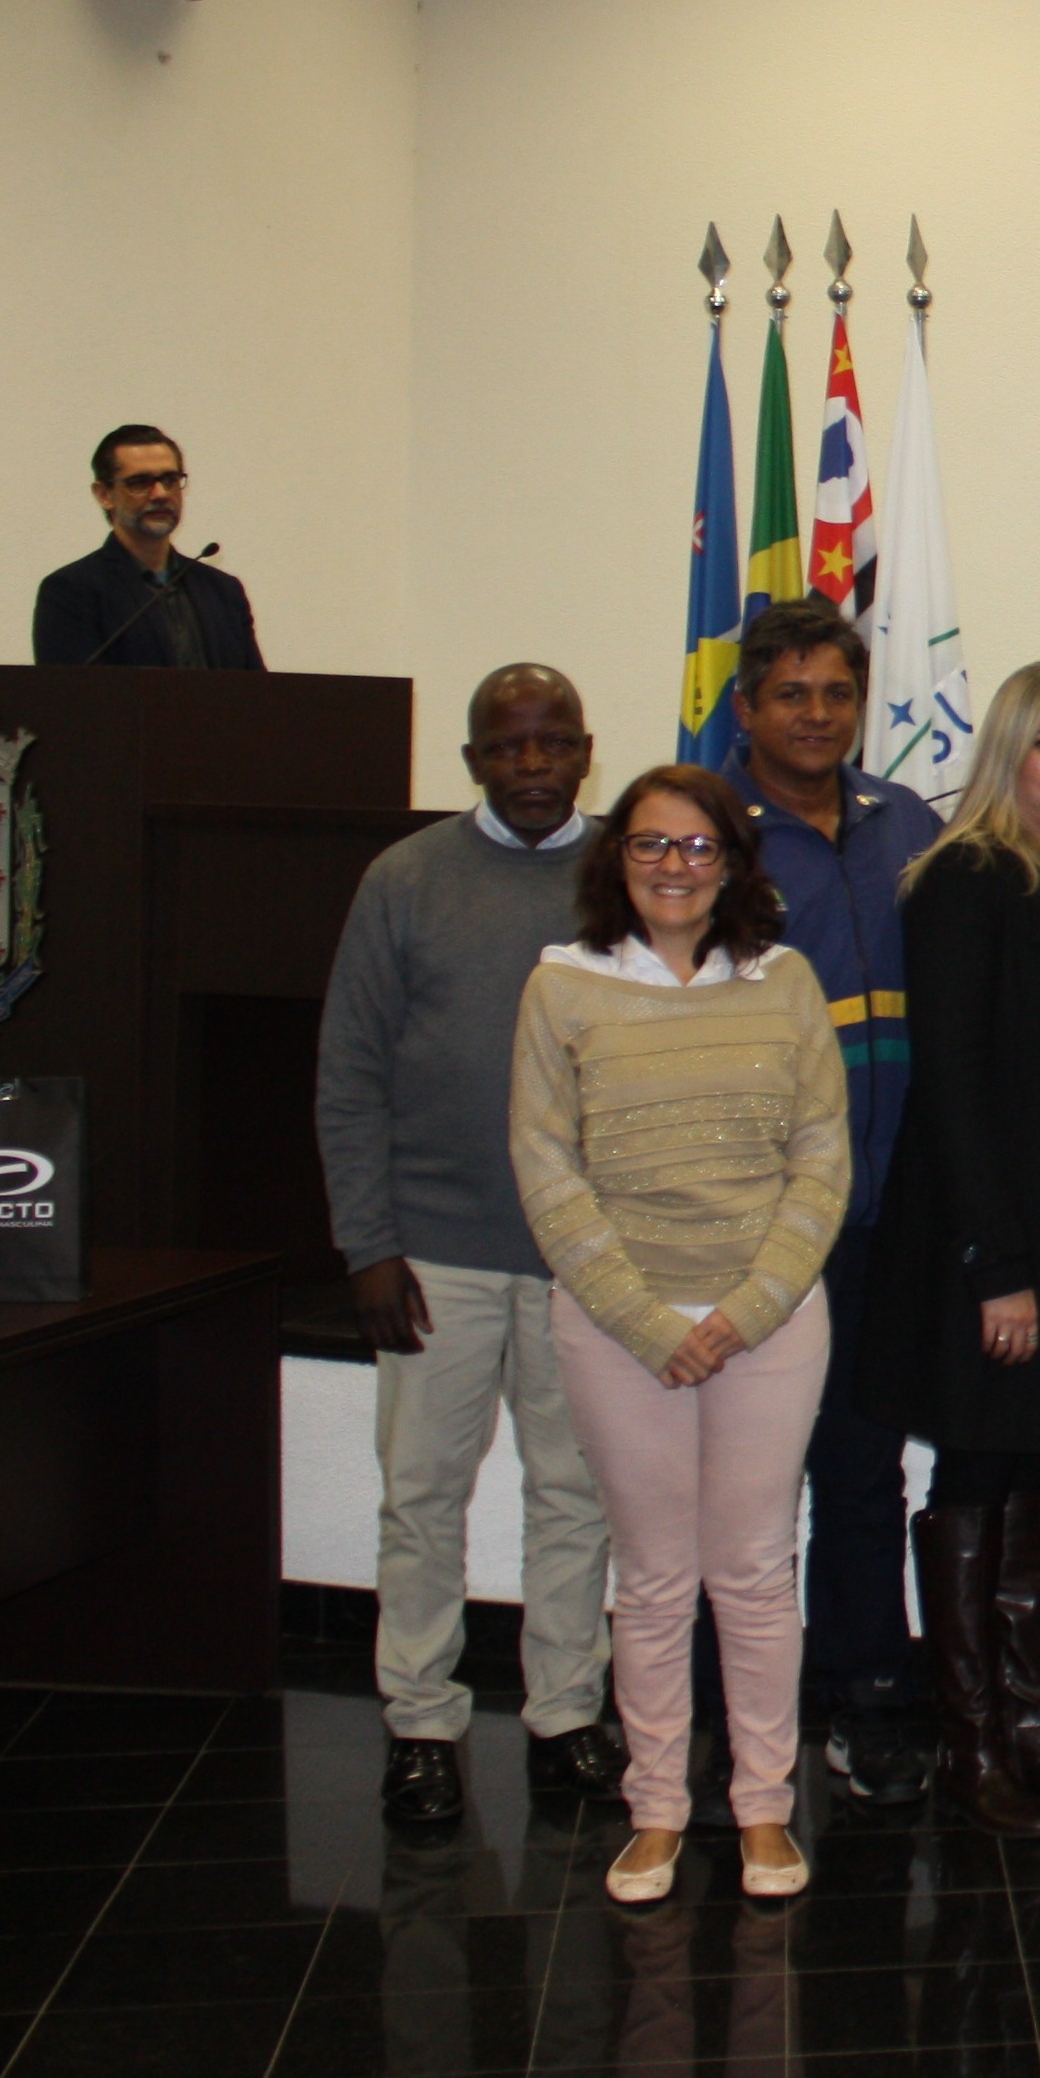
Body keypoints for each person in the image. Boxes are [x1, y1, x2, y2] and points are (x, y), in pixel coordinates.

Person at [510, 764, 851, 1905]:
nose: (674, 866)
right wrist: (646, 1320)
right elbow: (545, 1165)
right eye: (651, 844)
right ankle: (655, 1810)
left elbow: (822, 1159)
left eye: (699, 847)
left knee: (753, 1573)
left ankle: (763, 1808)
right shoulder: (562, 986)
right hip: (619, 1326)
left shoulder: (784, 982)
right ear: (615, 859)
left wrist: (745, 1311)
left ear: (733, 865)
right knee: (654, 1579)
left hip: (770, 1322)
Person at [316, 664, 625, 1828]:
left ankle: (566, 1716)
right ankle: (421, 1726)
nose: (532, 765)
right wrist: (368, 1243)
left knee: (576, 1494)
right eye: (507, 747)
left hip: (583, 1257)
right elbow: (349, 1071)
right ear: (472, 762)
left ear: (586, 750)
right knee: (422, 1496)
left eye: (553, 743)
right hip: (432, 1253)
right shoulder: (404, 879)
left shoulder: (631, 872)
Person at [849, 662, 1040, 1839]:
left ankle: (1033, 1734)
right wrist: (997, 1266)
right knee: (976, 1471)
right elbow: (955, 1082)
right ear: (1005, 755)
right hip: (987, 1233)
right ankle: (970, 1746)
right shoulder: (964, 877)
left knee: (1031, 1468)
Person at [717, 597, 944, 1803]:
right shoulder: (704, 831)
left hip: (883, 1208)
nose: (817, 714)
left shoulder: (904, 819)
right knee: (742, 1483)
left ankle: (869, 1692)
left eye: (837, 693)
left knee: (863, 1468)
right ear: (745, 706)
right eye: (790, 693)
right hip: (752, 1219)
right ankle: (727, 1714)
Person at [30, 423, 262, 667]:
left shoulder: (223, 591)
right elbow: (68, 688)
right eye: (140, 482)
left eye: (170, 480)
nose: (160, 493)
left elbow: (257, 687)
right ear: (104, 495)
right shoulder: (73, 591)